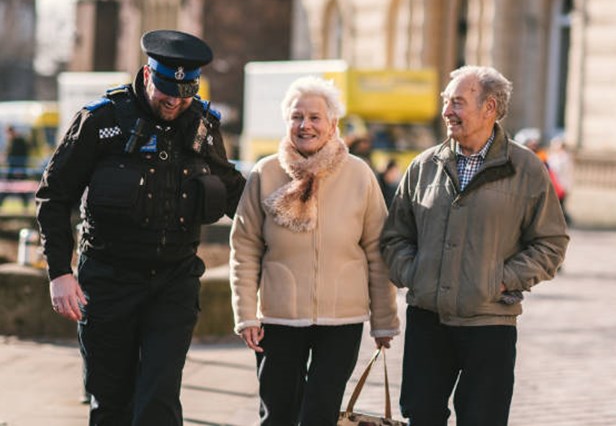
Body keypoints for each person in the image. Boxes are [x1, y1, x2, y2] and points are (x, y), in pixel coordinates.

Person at [35, 29, 246, 426]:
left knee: (158, 402)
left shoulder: (201, 125)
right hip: (108, 282)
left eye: (185, 96)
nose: (175, 103)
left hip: (174, 282)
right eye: (167, 93)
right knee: (111, 404)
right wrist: (60, 273)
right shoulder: (101, 122)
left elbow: (236, 194)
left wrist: (287, 222)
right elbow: (54, 196)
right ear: (148, 76)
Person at [380, 65, 569, 426]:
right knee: (420, 414)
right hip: (428, 320)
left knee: (484, 418)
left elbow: (551, 242)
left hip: (490, 321)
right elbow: (395, 236)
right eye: (446, 102)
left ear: (490, 108)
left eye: (457, 102)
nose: (447, 111)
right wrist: (416, 273)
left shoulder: (526, 168)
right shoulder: (423, 166)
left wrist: (500, 279)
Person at [229, 75, 400, 425]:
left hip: (342, 320)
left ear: (333, 123)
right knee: (278, 414)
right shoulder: (265, 172)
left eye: (314, 117)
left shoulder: (359, 175)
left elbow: (378, 251)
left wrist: (384, 320)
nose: (305, 125)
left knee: (320, 415)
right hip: (277, 319)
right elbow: (244, 248)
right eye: (296, 117)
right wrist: (246, 313)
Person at [0, 125, 31, 209]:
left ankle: (25, 205)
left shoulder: (19, 141)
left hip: (17, 168)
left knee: (19, 187)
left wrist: (19, 168)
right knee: (8, 186)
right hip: (12, 168)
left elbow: (22, 155)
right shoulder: (12, 141)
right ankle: (25, 205)